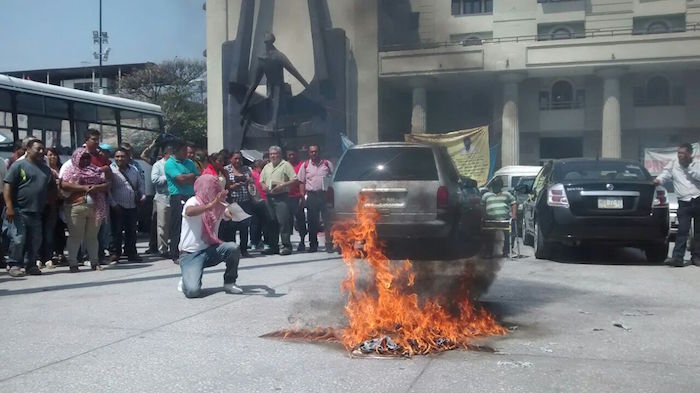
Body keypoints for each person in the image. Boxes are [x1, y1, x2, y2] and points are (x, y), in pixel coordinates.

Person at [177, 174, 243, 298]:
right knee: (193, 292)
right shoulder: (193, 201)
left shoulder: (218, 205)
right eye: (212, 187)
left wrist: (227, 204)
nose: (215, 190)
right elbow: (189, 212)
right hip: (191, 254)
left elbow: (234, 216)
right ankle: (187, 277)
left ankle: (230, 282)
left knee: (233, 248)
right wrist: (210, 205)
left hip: (210, 250)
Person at [3, 140, 55, 277]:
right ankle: (14, 264)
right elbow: (8, 186)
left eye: (43, 149)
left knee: (35, 240)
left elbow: (51, 188)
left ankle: (31, 265)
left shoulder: (45, 169)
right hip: (19, 210)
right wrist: (9, 206)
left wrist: (50, 204)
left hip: (37, 211)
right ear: (28, 149)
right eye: (38, 149)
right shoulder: (18, 165)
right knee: (19, 239)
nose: (41, 152)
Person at [61, 148, 110, 272]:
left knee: (92, 236)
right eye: (83, 157)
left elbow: (107, 185)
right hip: (76, 207)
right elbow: (64, 185)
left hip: (95, 207)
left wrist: (96, 187)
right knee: (75, 236)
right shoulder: (69, 169)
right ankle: (73, 263)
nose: (86, 160)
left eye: (88, 157)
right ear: (76, 158)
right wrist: (83, 188)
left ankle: (95, 262)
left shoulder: (95, 170)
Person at [654, 142, 700, 267]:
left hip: (697, 199)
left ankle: (697, 257)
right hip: (683, 202)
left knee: (698, 232)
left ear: (690, 154)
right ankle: (677, 258)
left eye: (683, 153)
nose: (680, 156)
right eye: (678, 153)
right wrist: (658, 180)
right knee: (682, 231)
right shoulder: (673, 163)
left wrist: (688, 168)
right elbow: (665, 175)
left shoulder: (696, 164)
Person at [165, 140, 200, 264]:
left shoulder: (190, 162)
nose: (187, 153)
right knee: (177, 225)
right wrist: (190, 176)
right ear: (176, 150)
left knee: (191, 224)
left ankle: (189, 250)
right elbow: (180, 179)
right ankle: (175, 253)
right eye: (184, 150)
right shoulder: (170, 163)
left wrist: (188, 177)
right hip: (177, 196)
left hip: (190, 195)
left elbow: (197, 177)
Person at [109, 148, 146, 263]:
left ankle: (131, 253)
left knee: (131, 231)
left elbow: (140, 184)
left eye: (122, 156)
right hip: (117, 206)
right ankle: (115, 253)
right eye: (117, 156)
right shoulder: (111, 170)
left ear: (128, 158)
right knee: (117, 231)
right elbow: (108, 189)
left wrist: (143, 195)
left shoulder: (134, 170)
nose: (119, 159)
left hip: (132, 205)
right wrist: (113, 204)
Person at [259, 146, 298, 255]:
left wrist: (283, 185)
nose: (273, 156)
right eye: (271, 154)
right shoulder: (267, 166)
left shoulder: (286, 165)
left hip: (282, 197)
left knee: (283, 222)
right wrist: (263, 186)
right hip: (269, 197)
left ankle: (286, 246)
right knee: (271, 222)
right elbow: (261, 180)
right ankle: (273, 246)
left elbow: (295, 180)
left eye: (275, 154)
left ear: (280, 154)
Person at [297, 144, 334, 253]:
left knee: (327, 221)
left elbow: (333, 178)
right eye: (312, 152)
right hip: (312, 196)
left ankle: (329, 244)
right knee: (313, 222)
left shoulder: (327, 164)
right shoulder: (305, 165)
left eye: (316, 151)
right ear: (309, 153)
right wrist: (302, 196)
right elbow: (301, 181)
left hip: (325, 196)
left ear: (319, 152)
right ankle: (313, 245)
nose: (314, 153)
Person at [223, 151, 254, 257]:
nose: (238, 161)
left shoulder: (246, 169)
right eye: (235, 158)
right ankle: (233, 250)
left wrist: (250, 181)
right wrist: (232, 187)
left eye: (239, 159)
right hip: (232, 202)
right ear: (230, 159)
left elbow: (251, 184)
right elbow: (223, 186)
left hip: (245, 201)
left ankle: (244, 249)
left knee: (244, 228)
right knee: (231, 227)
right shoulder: (226, 170)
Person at [481, 177, 517, 258]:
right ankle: (489, 252)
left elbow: (514, 203)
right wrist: (483, 216)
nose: (496, 187)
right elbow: (482, 206)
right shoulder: (486, 195)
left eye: (498, 185)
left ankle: (507, 251)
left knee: (509, 234)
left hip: (504, 220)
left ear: (501, 186)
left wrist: (514, 215)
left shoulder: (506, 194)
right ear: (492, 186)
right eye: (494, 186)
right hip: (490, 220)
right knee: (489, 236)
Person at [41, 148, 64, 268]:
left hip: (60, 205)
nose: (52, 157)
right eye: (49, 155)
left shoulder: (60, 169)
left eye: (54, 155)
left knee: (58, 231)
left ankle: (58, 253)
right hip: (48, 205)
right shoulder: (45, 170)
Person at [151, 146, 172, 258]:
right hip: (162, 198)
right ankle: (162, 249)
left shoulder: (176, 165)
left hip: (174, 197)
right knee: (162, 225)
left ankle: (174, 247)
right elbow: (154, 180)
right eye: (171, 155)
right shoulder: (158, 165)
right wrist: (167, 177)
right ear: (165, 154)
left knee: (174, 225)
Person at [286, 148, 308, 251]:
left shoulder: (302, 165)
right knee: (287, 222)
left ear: (297, 154)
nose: (291, 156)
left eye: (293, 154)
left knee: (300, 221)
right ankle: (287, 243)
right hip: (286, 198)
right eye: (289, 155)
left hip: (297, 197)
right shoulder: (284, 166)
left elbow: (302, 181)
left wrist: (302, 196)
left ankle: (302, 241)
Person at [250, 159, 267, 251]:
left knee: (256, 223)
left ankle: (255, 241)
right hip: (259, 201)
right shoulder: (255, 175)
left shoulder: (253, 175)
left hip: (258, 201)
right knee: (257, 223)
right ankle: (255, 241)